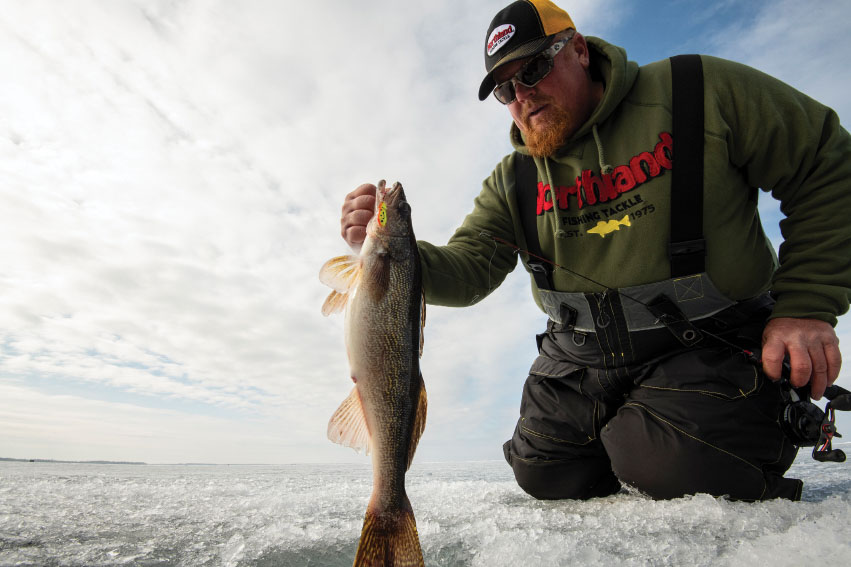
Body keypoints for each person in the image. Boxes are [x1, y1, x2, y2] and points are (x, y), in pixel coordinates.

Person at [340, 0, 850, 501]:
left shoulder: (699, 92)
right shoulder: (512, 180)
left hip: (706, 343)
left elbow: (827, 162)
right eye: (504, 88)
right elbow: (471, 267)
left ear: (579, 49)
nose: (522, 94)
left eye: (535, 68)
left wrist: (805, 307)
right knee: (544, 473)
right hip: (580, 357)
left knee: (662, 463)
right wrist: (390, 253)